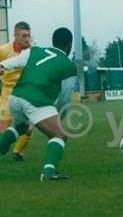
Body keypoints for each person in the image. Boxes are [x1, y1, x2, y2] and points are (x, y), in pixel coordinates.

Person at [0, 28, 77, 181]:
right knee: (60, 135)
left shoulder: (34, 51)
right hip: (36, 101)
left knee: (21, 127)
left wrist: (2, 67)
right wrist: (59, 115)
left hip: (15, 97)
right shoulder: (68, 65)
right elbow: (65, 96)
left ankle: (3, 144)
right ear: (69, 46)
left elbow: (11, 63)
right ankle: (48, 172)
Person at [0, 22, 34, 162]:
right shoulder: (3, 50)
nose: (27, 39)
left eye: (28, 35)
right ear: (15, 36)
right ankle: (3, 145)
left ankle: (17, 152)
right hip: (8, 93)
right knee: (3, 129)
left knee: (29, 127)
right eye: (24, 36)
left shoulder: (32, 51)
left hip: (25, 93)